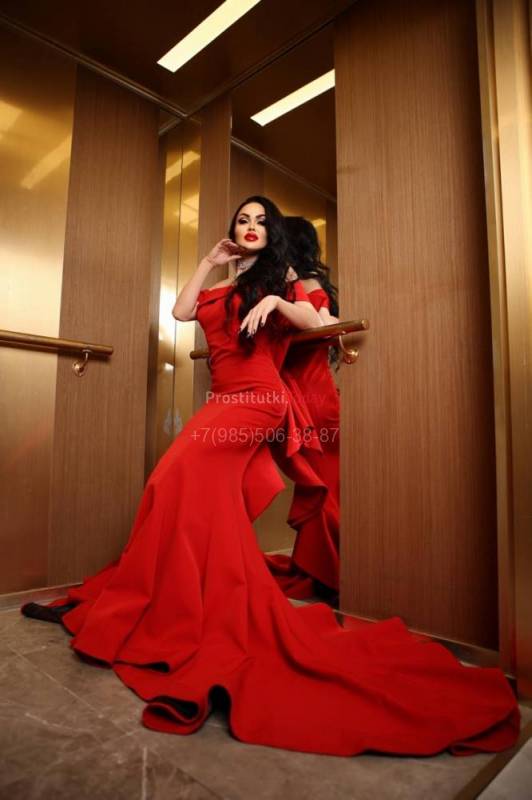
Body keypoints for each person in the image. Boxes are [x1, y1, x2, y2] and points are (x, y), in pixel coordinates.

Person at [20, 196, 520, 757]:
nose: (251, 227)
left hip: (258, 399)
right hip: (222, 399)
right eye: (243, 220)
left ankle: (172, 603)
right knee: (200, 503)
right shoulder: (223, 280)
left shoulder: (283, 276)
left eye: (261, 221)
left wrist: (281, 299)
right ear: (233, 231)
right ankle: (189, 603)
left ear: (273, 231)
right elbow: (182, 313)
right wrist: (209, 261)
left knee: (168, 481)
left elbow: (320, 322)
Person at [264, 216, 341, 603]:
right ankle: (324, 569)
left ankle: (328, 572)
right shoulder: (305, 285)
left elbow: (319, 330)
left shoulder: (299, 285)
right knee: (323, 481)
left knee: (322, 482)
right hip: (314, 392)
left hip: (308, 393)